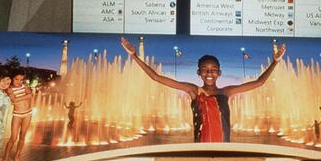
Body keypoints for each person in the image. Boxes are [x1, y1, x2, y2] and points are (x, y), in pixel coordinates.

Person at [121, 37, 285, 142]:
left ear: (219, 72)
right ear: (199, 72)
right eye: (205, 69)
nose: (209, 72)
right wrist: (134, 56)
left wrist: (275, 62)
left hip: (223, 146)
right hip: (201, 145)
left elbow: (259, 82)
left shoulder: (226, 92)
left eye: (213, 69)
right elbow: (156, 77)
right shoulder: (194, 91)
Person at [1, 69, 33, 161]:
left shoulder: (25, 87)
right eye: (16, 79)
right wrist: (25, 96)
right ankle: (5, 158)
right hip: (17, 115)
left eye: (21, 80)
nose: (19, 82)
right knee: (13, 138)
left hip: (28, 114)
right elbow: (13, 100)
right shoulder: (9, 89)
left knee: (22, 136)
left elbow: (31, 95)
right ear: (12, 79)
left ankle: (17, 156)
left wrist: (19, 98)